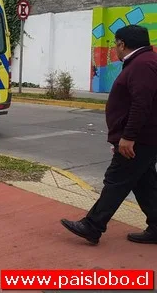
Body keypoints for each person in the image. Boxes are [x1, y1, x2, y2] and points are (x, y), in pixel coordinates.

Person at [61, 25, 157, 245]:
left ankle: (92, 225)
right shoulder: (145, 62)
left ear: (122, 43)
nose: (115, 48)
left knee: (117, 180)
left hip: (139, 139)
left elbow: (141, 104)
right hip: (146, 138)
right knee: (145, 182)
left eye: (115, 43)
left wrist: (128, 136)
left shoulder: (142, 65)